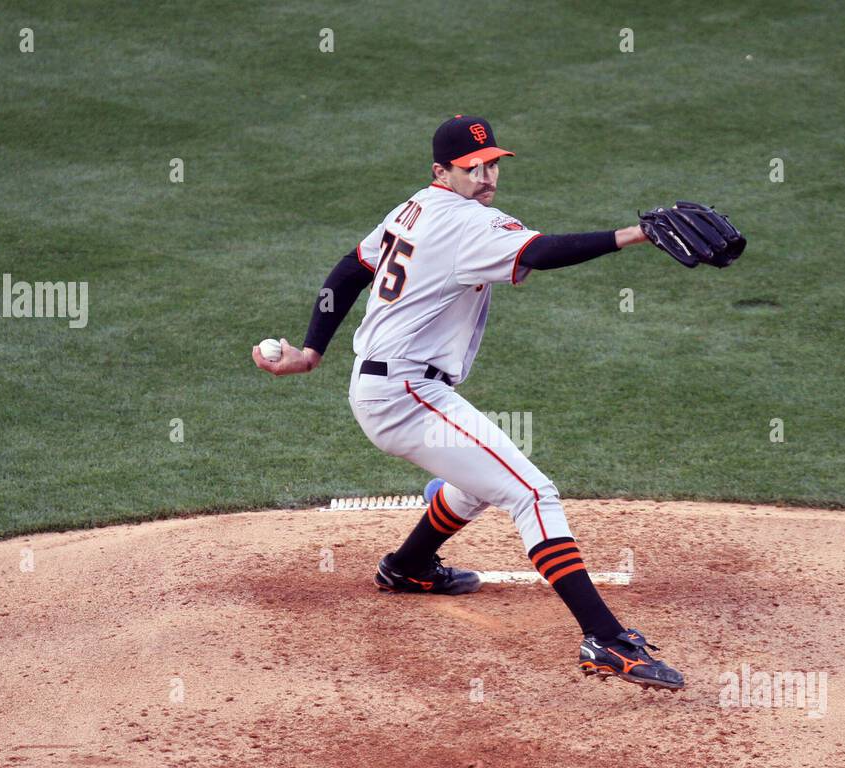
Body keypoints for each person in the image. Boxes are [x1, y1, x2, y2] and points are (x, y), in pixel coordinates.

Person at [253, 115, 683, 692]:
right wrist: (635, 235)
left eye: (494, 165)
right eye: (473, 168)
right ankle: (605, 639)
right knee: (532, 492)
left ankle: (407, 566)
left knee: (483, 478)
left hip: (392, 388)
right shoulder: (464, 223)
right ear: (442, 171)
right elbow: (546, 250)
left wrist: (312, 351)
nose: (487, 177)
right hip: (405, 395)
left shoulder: (415, 207)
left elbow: (350, 269)